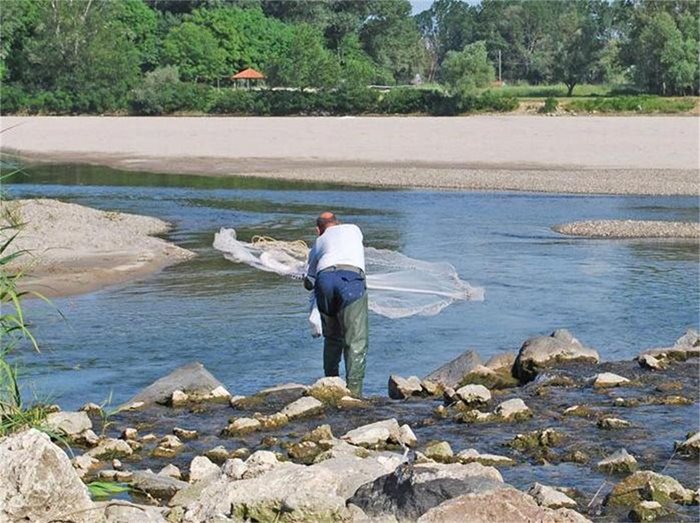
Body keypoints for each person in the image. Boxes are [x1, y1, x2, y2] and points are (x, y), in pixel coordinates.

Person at [304, 212, 368, 397]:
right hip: (350, 280)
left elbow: (309, 283)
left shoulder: (318, 243)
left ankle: (330, 386)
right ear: (338, 223)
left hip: (325, 281)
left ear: (318, 229)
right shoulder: (354, 229)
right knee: (355, 340)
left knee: (332, 338)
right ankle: (354, 393)